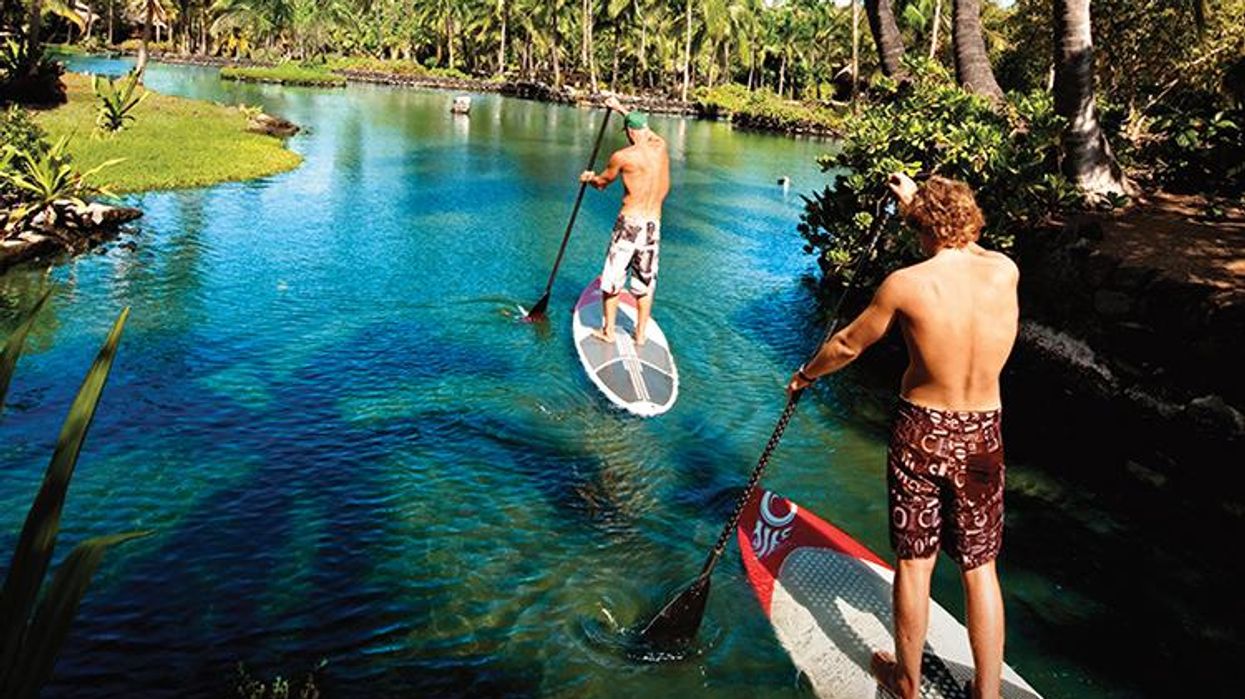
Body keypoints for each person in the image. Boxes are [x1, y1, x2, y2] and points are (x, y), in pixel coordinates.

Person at [786, 174, 1020, 699]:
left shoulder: (906, 284)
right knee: (981, 567)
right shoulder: (1004, 271)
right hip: (983, 434)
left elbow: (848, 345)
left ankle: (906, 682)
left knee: (915, 563)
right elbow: (964, 246)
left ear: (921, 226)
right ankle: (987, 694)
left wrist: (804, 376)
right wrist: (924, 203)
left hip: (923, 431)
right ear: (970, 219)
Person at [579, 96, 670, 346]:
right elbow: (643, 128)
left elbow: (602, 183)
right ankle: (640, 335)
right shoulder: (660, 146)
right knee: (644, 283)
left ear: (629, 132)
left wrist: (589, 178)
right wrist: (620, 108)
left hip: (630, 224)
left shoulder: (623, 156)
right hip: (653, 225)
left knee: (612, 280)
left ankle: (608, 332)